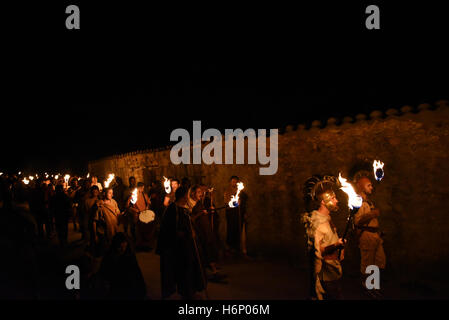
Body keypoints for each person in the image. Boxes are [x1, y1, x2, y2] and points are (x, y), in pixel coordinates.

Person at [156, 187, 206, 299]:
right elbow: (169, 230)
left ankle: (189, 291)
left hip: (186, 245)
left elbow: (187, 222)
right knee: (182, 270)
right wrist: (183, 234)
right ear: (183, 197)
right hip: (177, 248)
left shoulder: (183, 209)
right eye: (187, 195)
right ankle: (185, 293)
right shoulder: (172, 209)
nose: (188, 197)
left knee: (190, 268)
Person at [302, 177, 345, 300]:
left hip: (334, 271)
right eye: (333, 198)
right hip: (325, 275)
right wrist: (336, 245)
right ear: (323, 202)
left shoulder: (327, 219)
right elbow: (317, 252)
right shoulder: (317, 224)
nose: (336, 201)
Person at [354, 173, 386, 298]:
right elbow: (357, 221)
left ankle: (374, 286)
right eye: (369, 185)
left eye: (371, 185)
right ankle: (368, 288)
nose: (371, 187)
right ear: (362, 187)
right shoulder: (358, 201)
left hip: (374, 235)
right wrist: (372, 214)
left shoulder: (369, 201)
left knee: (379, 261)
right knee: (368, 263)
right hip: (366, 235)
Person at [98, 232, 147, 300]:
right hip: (115, 286)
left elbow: (137, 272)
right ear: (115, 246)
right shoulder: (109, 256)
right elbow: (103, 272)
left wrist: (142, 289)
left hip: (128, 287)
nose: (122, 249)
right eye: (120, 247)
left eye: (124, 246)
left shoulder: (129, 256)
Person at [92, 188, 121, 255]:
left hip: (114, 229)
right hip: (104, 232)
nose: (112, 195)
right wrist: (95, 235)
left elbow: (118, 213)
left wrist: (122, 215)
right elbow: (94, 221)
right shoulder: (100, 205)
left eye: (112, 193)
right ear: (104, 193)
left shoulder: (113, 202)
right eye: (110, 193)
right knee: (106, 251)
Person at [126, 182, 154, 250]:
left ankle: (144, 246)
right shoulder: (133, 195)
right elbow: (127, 205)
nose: (142, 189)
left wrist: (148, 205)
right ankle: (137, 246)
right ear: (138, 188)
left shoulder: (145, 195)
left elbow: (148, 203)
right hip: (136, 215)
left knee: (144, 231)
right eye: (141, 188)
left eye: (143, 188)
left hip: (144, 215)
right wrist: (134, 210)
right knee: (137, 231)